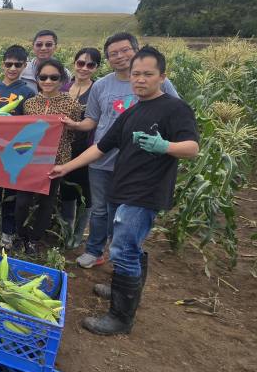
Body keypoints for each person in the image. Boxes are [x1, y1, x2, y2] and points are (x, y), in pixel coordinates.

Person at [50, 46, 199, 335]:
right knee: (128, 245)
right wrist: (65, 168)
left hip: (145, 191)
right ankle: (125, 289)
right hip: (122, 186)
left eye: (148, 74)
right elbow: (100, 147)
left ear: (162, 76)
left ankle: (120, 317)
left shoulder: (175, 108)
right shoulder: (132, 112)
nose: (140, 79)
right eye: (136, 74)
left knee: (123, 248)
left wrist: (165, 146)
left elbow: (192, 148)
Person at [62, 32, 179, 269]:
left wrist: (164, 146)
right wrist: (74, 125)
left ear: (136, 50)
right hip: (102, 158)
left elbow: (174, 115)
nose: (120, 56)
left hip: (138, 163)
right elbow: (93, 120)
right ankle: (95, 251)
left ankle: (122, 259)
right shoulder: (101, 86)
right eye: (113, 53)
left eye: (125, 50)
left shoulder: (158, 84)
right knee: (100, 210)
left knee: (125, 214)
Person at [14, 58, 82, 255]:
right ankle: (20, 235)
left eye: (54, 77)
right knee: (22, 201)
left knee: (47, 201)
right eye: (43, 77)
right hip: (30, 160)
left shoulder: (71, 104)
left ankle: (34, 239)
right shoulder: (30, 104)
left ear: (62, 79)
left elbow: (73, 134)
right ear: (37, 79)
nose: (48, 81)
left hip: (56, 161)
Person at [0, 45, 36, 248]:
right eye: (9, 64)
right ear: (2, 64)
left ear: (24, 66)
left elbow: (31, 125)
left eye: (17, 65)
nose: (12, 68)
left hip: (15, 152)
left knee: (11, 195)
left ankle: (7, 232)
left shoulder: (28, 93)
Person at [58, 47, 101, 247]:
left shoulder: (97, 90)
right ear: (74, 64)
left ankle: (78, 234)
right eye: (81, 63)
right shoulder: (63, 88)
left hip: (87, 148)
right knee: (67, 190)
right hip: (64, 147)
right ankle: (67, 231)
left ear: (96, 68)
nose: (84, 68)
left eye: (90, 65)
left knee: (85, 193)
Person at [21, 29, 59, 94]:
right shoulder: (22, 70)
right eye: (39, 44)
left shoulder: (64, 73)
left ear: (55, 47)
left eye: (48, 44)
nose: (43, 48)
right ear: (33, 47)